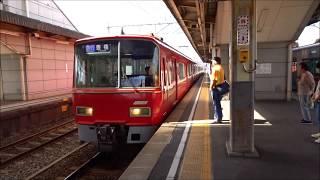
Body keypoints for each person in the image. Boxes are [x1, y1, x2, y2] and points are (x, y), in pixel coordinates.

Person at [210, 57, 225, 123]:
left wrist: (211, 87)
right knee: (217, 103)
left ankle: (218, 118)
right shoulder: (221, 67)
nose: (212, 62)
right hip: (221, 87)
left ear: (215, 61)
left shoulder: (215, 68)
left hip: (216, 88)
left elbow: (215, 80)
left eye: (212, 61)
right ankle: (219, 116)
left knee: (216, 103)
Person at [311, 62, 320, 143]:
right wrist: (314, 94)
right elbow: (318, 88)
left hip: (319, 100)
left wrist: (315, 99)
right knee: (318, 118)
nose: (317, 70)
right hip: (318, 101)